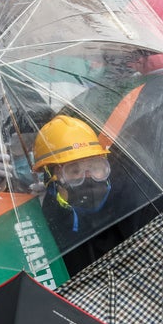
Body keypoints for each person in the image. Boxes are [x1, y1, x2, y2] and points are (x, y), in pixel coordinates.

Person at [31, 114, 127, 275]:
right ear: (52, 177)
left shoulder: (125, 202)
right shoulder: (48, 221)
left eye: (96, 166)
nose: (88, 177)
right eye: (75, 170)